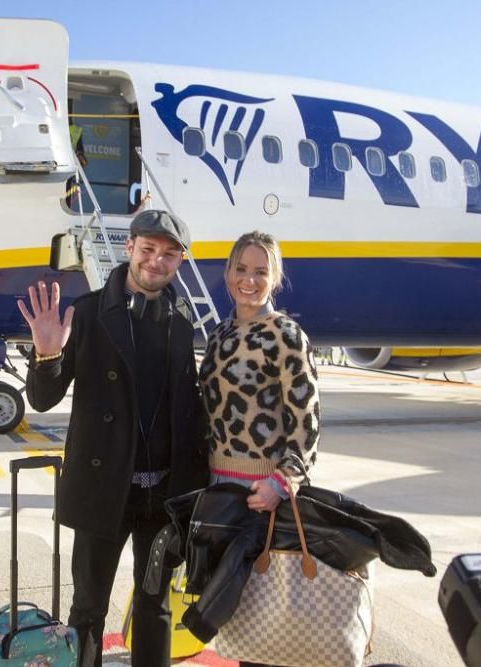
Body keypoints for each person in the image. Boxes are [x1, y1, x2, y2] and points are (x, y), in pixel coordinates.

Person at [18, 209, 208, 667]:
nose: (156, 262)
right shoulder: (85, 314)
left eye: (169, 255)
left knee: (154, 607)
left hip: (163, 496)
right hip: (106, 491)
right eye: (148, 250)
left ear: (179, 261)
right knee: (88, 609)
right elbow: (42, 400)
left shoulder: (183, 320)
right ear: (130, 249)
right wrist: (46, 355)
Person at [197, 231, 320, 667]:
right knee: (236, 621)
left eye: (261, 272)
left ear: (275, 278)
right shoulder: (219, 334)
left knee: (267, 617)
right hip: (219, 489)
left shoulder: (286, 334)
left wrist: (280, 483)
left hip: (262, 496)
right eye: (241, 270)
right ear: (228, 272)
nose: (249, 281)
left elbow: (306, 424)